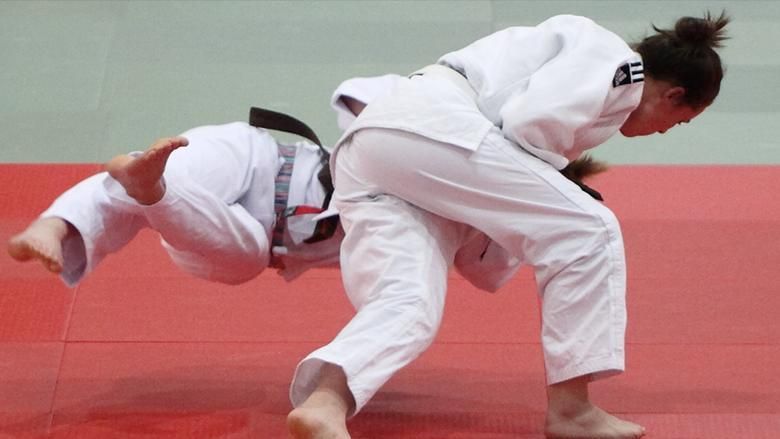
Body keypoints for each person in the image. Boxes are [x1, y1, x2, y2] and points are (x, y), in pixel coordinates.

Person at [288, 12, 729, 439]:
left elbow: (486, 260)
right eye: (681, 121)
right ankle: (572, 410)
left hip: (375, 149)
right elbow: (528, 125)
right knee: (590, 231)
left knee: (409, 301)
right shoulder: (614, 60)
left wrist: (541, 196)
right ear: (673, 96)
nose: (666, 131)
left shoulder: (592, 86)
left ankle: (325, 405)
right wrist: (556, 186)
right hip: (435, 128)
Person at [6, 73, 524, 293]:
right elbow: (354, 98)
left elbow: (487, 274)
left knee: (243, 252)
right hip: (260, 157)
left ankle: (153, 190)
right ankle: (58, 223)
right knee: (177, 165)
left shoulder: (470, 220)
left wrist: (510, 214)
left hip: (252, 236)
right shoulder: (447, 121)